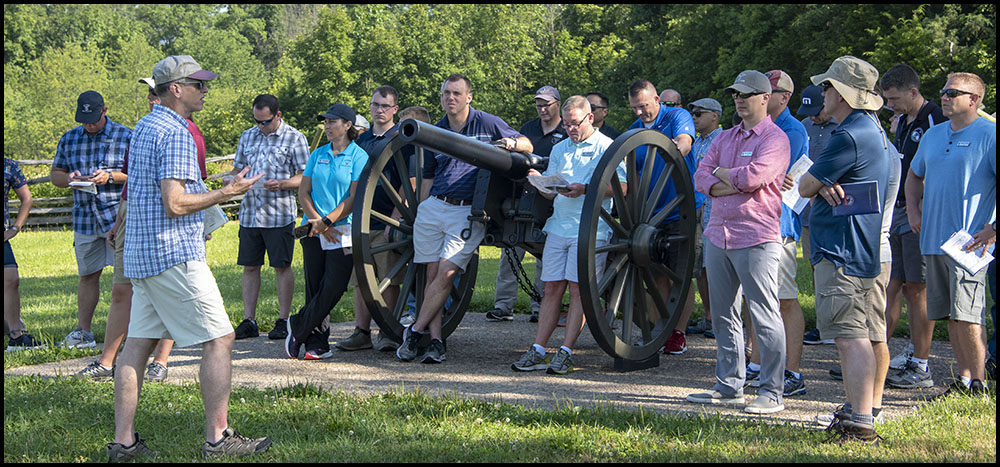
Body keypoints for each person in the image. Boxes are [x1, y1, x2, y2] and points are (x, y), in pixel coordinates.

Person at [107, 55, 270, 461]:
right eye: (198, 84)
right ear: (176, 89)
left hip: (143, 256)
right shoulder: (178, 132)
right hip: (173, 254)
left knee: (137, 346)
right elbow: (176, 204)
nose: (205, 89)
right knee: (221, 338)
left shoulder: (146, 125)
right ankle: (219, 439)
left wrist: (214, 188)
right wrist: (225, 194)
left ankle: (123, 444)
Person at [396, 73, 532, 364]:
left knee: (446, 273)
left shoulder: (486, 122)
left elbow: (527, 144)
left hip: (468, 210)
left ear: (468, 97)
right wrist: (420, 212)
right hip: (435, 206)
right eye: (446, 93)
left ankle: (415, 331)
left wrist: (510, 143)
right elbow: (428, 179)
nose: (450, 98)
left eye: (456, 93)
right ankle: (436, 342)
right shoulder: (435, 131)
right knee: (431, 276)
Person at [798, 55, 892, 444]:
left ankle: (860, 421)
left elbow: (802, 185)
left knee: (849, 336)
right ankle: (864, 410)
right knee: (868, 334)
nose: (822, 93)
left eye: (827, 87)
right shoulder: (874, 131)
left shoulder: (848, 135)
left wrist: (817, 184)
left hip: (840, 250)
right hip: (862, 249)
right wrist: (823, 184)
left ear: (842, 94)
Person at [75, 77, 194, 382]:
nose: (151, 100)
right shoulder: (143, 129)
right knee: (122, 290)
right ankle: (106, 361)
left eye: (156, 94)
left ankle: (161, 361)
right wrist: (119, 220)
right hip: (132, 216)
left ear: (173, 94)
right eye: (149, 95)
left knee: (164, 294)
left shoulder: (184, 132)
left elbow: (193, 187)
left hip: (166, 221)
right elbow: (135, 181)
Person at [688, 70, 789, 415]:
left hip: (756, 236)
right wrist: (725, 178)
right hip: (718, 234)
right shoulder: (724, 138)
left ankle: (772, 391)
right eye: (735, 95)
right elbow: (701, 175)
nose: (739, 100)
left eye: (746, 94)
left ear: (765, 97)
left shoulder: (775, 139)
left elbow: (755, 177)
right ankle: (729, 385)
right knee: (723, 315)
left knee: (763, 314)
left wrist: (721, 175)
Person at [511, 96, 625, 374]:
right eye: (566, 123)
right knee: (550, 289)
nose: (570, 128)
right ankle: (538, 349)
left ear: (589, 118)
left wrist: (585, 188)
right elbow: (552, 188)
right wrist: (541, 183)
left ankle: (566, 351)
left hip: (590, 230)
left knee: (578, 291)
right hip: (559, 226)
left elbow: (622, 186)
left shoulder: (606, 147)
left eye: (575, 123)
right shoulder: (561, 148)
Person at [906, 72, 995, 398]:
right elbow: (914, 177)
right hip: (933, 240)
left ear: (973, 100)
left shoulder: (990, 135)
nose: (944, 97)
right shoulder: (933, 135)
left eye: (953, 92)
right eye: (943, 91)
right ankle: (964, 379)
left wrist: (993, 228)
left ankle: (979, 384)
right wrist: (914, 213)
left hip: (969, 245)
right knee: (951, 315)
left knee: (970, 316)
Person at [879, 64, 947, 389]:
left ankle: (922, 364)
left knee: (916, 288)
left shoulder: (933, 119)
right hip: (897, 211)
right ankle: (881, 354)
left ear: (913, 92)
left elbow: (935, 170)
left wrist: (921, 209)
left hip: (920, 214)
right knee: (894, 284)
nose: (890, 105)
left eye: (894, 99)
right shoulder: (902, 121)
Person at [284, 104, 368, 361]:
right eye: (326, 121)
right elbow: (303, 191)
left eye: (333, 121)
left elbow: (354, 198)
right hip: (313, 228)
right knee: (315, 286)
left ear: (348, 125)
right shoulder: (317, 154)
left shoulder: (358, 156)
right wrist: (317, 221)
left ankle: (298, 325)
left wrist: (328, 221)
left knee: (334, 286)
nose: (327, 126)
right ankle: (318, 345)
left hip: (342, 228)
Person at [745, 70, 810, 397]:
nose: (762, 96)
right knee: (759, 299)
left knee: (785, 300)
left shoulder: (791, 130)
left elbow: (768, 173)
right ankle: (757, 364)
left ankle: (793, 371)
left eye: (771, 91)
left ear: (785, 97)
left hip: (780, 225)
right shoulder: (753, 128)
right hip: (755, 223)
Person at [50, 90, 131, 350]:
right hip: (85, 218)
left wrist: (109, 177)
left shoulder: (125, 136)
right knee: (87, 275)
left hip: (115, 217)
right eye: (84, 119)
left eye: (94, 119)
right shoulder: (69, 138)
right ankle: (83, 331)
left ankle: (131, 332)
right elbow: (56, 175)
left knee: (126, 279)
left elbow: (136, 175)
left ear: (104, 111)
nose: (89, 124)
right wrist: (71, 178)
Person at [626, 79, 698, 355]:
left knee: (681, 273)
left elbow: (684, 143)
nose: (639, 112)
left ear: (656, 99)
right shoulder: (633, 131)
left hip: (682, 207)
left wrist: (672, 149)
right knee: (656, 275)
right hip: (650, 214)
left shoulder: (677, 116)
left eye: (643, 106)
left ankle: (677, 333)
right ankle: (659, 331)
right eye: (635, 108)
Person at [230, 94, 309, 341]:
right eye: (257, 121)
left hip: (279, 214)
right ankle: (249, 320)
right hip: (250, 213)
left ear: (278, 115)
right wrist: (232, 181)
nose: (260, 126)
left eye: (265, 122)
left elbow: (305, 176)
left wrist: (284, 184)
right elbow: (237, 169)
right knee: (250, 267)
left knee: (281, 267)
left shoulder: (294, 137)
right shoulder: (247, 136)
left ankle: (283, 320)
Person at [488, 85, 565, 323]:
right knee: (510, 250)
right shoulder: (528, 129)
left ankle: (540, 305)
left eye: (546, 104)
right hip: (523, 193)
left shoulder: (565, 130)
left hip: (553, 196)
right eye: (539, 105)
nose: (542, 109)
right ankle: (503, 304)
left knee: (546, 255)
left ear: (558, 105)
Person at [342, 85, 407, 352]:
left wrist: (396, 215)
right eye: (375, 105)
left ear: (394, 110)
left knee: (387, 277)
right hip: (362, 219)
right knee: (361, 278)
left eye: (385, 106)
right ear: (369, 107)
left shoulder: (401, 139)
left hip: (386, 219)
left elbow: (409, 180)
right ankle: (361, 331)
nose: (379, 110)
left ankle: (389, 331)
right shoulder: (361, 141)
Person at [796, 84, 838, 347]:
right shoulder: (804, 126)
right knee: (815, 264)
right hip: (808, 210)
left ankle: (836, 325)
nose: (813, 116)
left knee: (835, 266)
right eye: (808, 112)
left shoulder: (841, 126)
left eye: (816, 111)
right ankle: (823, 324)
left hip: (835, 208)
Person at [683, 98, 724, 339]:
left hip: (713, 209)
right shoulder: (695, 142)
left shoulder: (723, 140)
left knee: (712, 266)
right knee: (699, 266)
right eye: (692, 114)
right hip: (695, 208)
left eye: (699, 113)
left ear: (715, 116)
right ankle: (709, 314)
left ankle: (718, 317)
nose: (694, 117)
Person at [5, 158, 42, 351]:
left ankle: (16, 337)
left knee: (11, 279)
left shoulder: (8, 166)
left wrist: (15, 228)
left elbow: (27, 199)